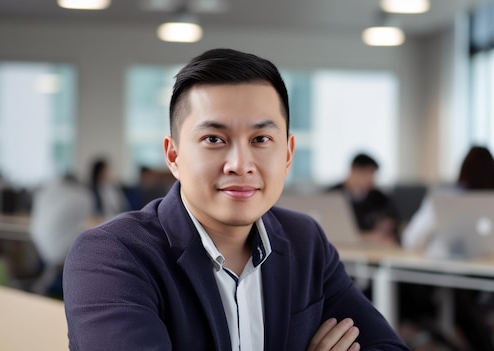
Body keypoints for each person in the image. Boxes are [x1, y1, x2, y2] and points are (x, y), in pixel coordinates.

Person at [63, 48, 409, 351]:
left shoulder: (305, 241)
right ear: (173, 156)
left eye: (260, 139)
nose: (240, 164)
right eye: (214, 139)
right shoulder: (112, 255)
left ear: (287, 154)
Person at [400, 145, 494, 351]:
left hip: (456, 278)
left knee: (459, 298)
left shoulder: (445, 199)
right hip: (493, 278)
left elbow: (411, 239)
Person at [29, 173, 93, 295]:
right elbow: (86, 217)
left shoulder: (44, 193)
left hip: (38, 242)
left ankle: (48, 280)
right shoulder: (83, 197)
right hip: (60, 252)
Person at [328, 153, 400, 246]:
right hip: (338, 246)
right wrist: (364, 236)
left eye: (373, 175)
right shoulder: (331, 195)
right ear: (355, 169)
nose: (371, 180)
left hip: (371, 248)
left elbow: (393, 228)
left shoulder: (380, 198)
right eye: (368, 174)